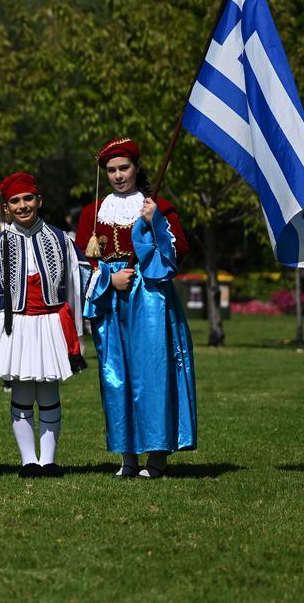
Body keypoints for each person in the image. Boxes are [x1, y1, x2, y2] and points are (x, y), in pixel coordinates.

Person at [75, 138, 196, 478]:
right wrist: (107, 282)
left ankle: (156, 456)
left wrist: (156, 222)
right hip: (110, 298)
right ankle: (127, 456)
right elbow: (82, 263)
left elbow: (178, 252)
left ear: (136, 168)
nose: (117, 175)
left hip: (150, 298)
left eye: (123, 168)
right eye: (111, 170)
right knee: (116, 375)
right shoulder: (92, 212)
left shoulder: (158, 205)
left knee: (152, 373)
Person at [0, 172, 88, 479]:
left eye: (28, 198)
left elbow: (73, 285)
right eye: (15, 201)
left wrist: (76, 330)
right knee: (21, 391)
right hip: (16, 325)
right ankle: (28, 460)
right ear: (6, 208)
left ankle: (48, 460)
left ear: (38, 201)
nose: (22, 206)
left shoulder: (60, 239)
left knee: (47, 391)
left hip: (50, 323)